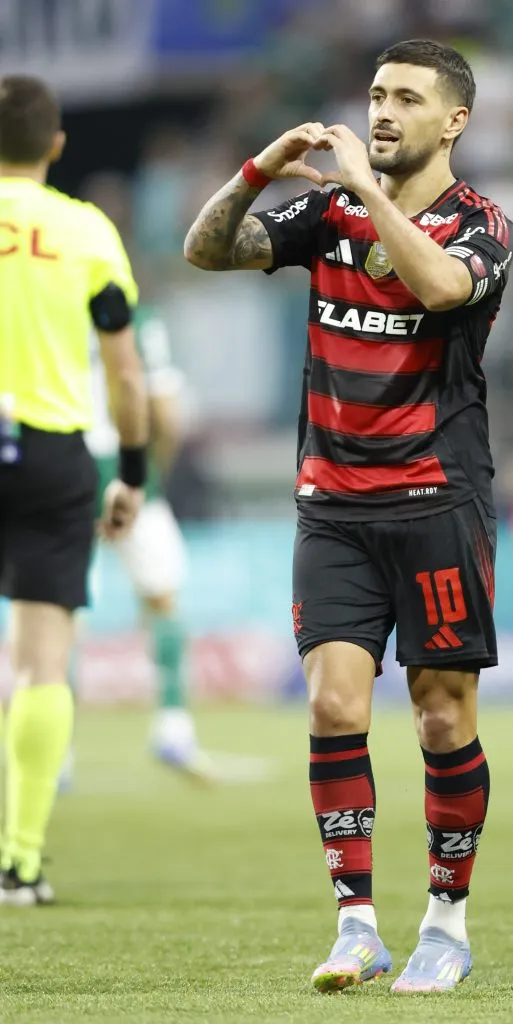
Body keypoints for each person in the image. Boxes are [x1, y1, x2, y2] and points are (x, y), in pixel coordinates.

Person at [185, 39, 513, 993]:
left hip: (437, 501)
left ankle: (445, 926)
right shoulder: (324, 212)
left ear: (452, 121)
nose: (380, 111)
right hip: (332, 504)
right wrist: (257, 173)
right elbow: (209, 251)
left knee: (440, 716)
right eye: (374, 94)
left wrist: (369, 191)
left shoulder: (480, 223)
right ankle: (357, 926)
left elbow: (440, 288)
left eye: (406, 98)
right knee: (334, 704)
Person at [0, 75, 148, 904]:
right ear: (56, 144)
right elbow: (123, 370)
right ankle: (19, 861)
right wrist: (130, 473)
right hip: (53, 453)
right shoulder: (86, 231)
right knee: (41, 662)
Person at [79, 305, 211, 780]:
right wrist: (148, 474)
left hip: (63, 468)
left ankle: (59, 753)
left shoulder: (40, 306)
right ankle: (173, 729)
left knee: (60, 612)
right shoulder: (140, 317)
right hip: (129, 472)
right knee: (163, 600)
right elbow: (166, 414)